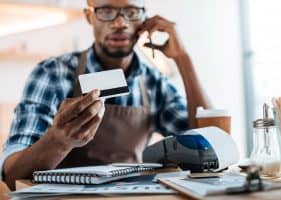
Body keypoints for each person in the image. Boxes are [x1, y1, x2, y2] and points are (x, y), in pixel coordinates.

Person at [0, 0, 211, 190]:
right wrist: (59, 140)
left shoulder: (154, 82)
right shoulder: (52, 74)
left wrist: (183, 59)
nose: (120, 23)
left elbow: (209, 145)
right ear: (89, 16)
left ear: (145, 18)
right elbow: (12, 175)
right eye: (107, 11)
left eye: (131, 11)